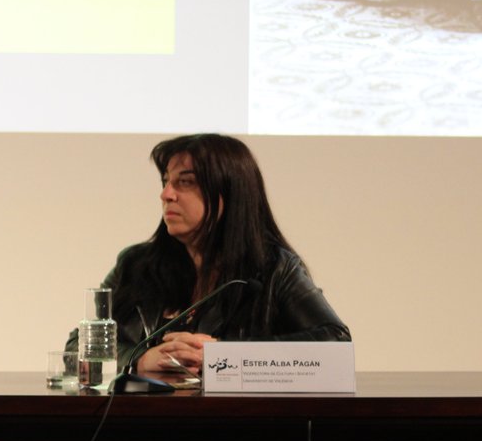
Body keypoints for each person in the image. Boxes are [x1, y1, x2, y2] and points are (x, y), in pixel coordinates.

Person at [66, 133, 350, 376]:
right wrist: (139, 360)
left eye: (185, 182)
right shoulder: (135, 265)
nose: (166, 194)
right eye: (166, 181)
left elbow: (335, 343)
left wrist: (222, 356)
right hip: (141, 425)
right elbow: (77, 348)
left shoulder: (275, 269)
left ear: (229, 194)